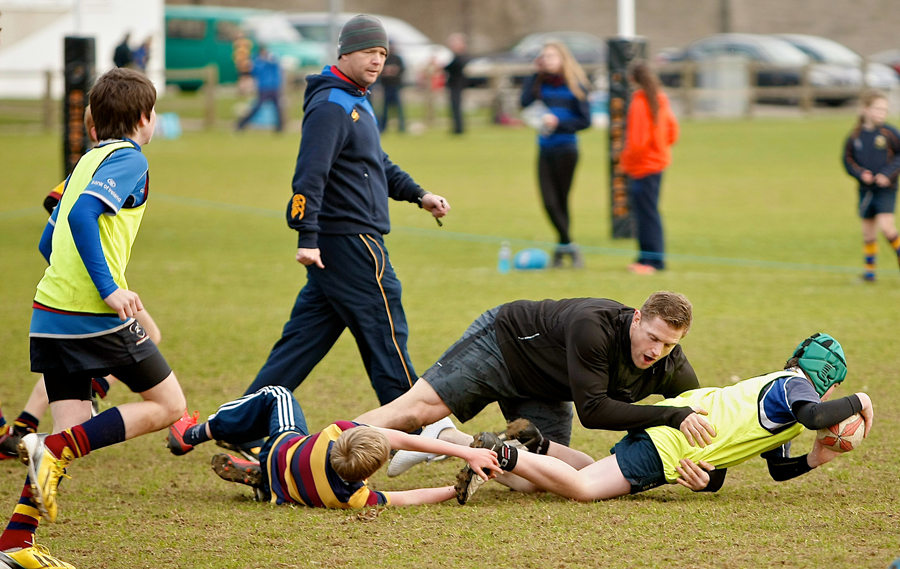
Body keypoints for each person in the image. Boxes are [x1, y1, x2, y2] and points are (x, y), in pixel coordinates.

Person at [200, 15, 450, 454]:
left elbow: (376, 163)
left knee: (298, 347)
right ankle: (412, 433)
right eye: (369, 51)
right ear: (345, 53)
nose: (377, 60)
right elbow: (309, 176)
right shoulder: (333, 104)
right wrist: (306, 236)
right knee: (385, 331)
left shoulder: (356, 99)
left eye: (383, 53)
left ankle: (239, 427)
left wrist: (418, 194)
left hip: (341, 244)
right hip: (351, 242)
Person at [0, 68, 187, 569]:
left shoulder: (84, 162)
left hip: (50, 313)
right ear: (145, 118)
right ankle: (48, 449)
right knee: (170, 404)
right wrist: (106, 289)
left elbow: (50, 239)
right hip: (90, 316)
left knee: (73, 431)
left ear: (93, 121)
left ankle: (13, 546)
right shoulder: (129, 159)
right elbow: (83, 217)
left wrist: (103, 283)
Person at [454, 333, 874, 505]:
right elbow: (819, 413)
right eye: (837, 388)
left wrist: (816, 459)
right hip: (674, 441)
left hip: (673, 433)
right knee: (583, 490)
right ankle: (503, 453)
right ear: (826, 379)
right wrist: (862, 400)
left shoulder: (787, 402)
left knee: (587, 471)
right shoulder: (796, 389)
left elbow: (778, 469)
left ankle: (535, 444)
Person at [356, 291, 716, 477]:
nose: (657, 351)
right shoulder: (595, 327)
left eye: (669, 344)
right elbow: (592, 412)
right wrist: (670, 415)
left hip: (544, 389)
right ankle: (323, 447)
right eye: (652, 337)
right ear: (637, 319)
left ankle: (445, 439)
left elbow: (708, 424)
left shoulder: (673, 367)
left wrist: (708, 478)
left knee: (535, 476)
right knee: (415, 411)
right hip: (504, 344)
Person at [167, 385, 501, 508]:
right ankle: (264, 482)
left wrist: (467, 453)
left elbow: (397, 437)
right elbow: (408, 497)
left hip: (280, 451)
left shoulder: (333, 433)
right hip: (286, 493)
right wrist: (453, 489)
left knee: (276, 395)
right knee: (289, 484)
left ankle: (198, 433)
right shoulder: (354, 498)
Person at [520, 42, 592, 269]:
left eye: (552, 56)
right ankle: (568, 244)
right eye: (544, 57)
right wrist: (534, 74)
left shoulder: (575, 85)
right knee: (549, 202)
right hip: (545, 148)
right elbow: (523, 103)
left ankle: (563, 250)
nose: (547, 60)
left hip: (567, 149)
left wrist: (559, 123)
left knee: (561, 201)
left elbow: (585, 121)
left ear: (562, 58)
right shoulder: (539, 83)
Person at [619, 60, 679, 275]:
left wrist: (627, 160)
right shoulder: (660, 99)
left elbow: (637, 141)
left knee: (646, 214)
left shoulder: (640, 102)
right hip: (657, 164)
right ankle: (645, 257)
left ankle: (653, 261)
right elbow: (673, 132)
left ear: (632, 79)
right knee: (648, 211)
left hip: (643, 166)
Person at [842, 89, 900, 282]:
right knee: (868, 232)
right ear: (865, 109)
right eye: (878, 109)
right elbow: (847, 160)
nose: (882, 113)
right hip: (865, 190)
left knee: (887, 228)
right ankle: (869, 273)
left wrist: (887, 175)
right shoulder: (855, 135)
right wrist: (860, 174)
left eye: (885, 110)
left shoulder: (889, 133)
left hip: (886, 189)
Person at [236, 46, 284, 133]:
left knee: (278, 109)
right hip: (264, 88)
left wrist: (269, 59)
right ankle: (241, 124)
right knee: (257, 108)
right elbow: (253, 71)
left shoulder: (272, 60)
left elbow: (277, 65)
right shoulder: (258, 63)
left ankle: (280, 128)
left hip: (274, 88)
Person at [444, 33, 469, 135]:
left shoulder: (460, 57)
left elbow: (451, 67)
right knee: (454, 107)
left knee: (456, 106)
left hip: (457, 85)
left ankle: (459, 128)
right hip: (454, 84)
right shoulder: (456, 56)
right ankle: (457, 127)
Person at [378, 41, 406, 133]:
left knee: (399, 108)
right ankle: (383, 127)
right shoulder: (384, 58)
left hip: (396, 86)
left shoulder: (397, 58)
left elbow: (402, 69)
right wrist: (386, 71)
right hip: (386, 86)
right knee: (385, 109)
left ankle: (402, 127)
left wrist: (394, 70)